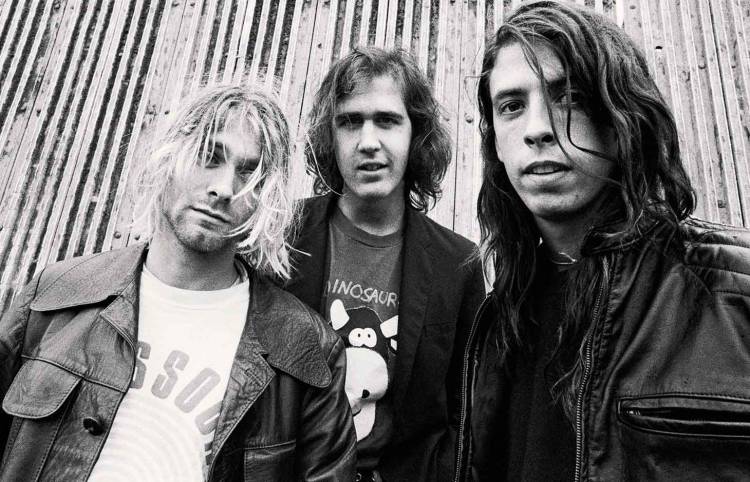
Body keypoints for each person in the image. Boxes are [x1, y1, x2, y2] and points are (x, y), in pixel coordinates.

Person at [0, 84, 356, 481]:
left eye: (248, 172)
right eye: (209, 156)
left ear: (266, 199)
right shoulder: (56, 295)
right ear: (169, 158)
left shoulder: (306, 349)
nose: (223, 188)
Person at [456, 1, 750, 481]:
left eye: (568, 98)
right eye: (511, 106)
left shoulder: (733, 295)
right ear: (495, 144)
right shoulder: (498, 320)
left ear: (621, 117)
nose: (537, 130)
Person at [286, 47, 486, 481]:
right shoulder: (282, 236)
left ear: (417, 135)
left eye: (387, 120)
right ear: (330, 136)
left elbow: (468, 407)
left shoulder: (457, 265)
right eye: (349, 121)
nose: (368, 141)